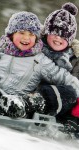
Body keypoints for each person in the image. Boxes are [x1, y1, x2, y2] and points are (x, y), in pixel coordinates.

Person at [36, 2, 79, 137]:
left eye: (64, 36)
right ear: (46, 32)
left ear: (70, 40)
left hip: (61, 104)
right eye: (54, 32)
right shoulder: (34, 47)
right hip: (31, 91)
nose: (58, 38)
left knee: (70, 93)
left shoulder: (73, 59)